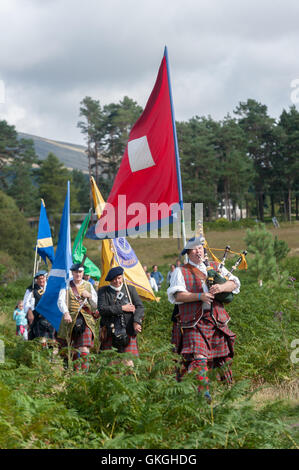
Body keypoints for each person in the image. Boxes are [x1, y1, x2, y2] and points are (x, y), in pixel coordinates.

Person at [167, 236, 240, 403]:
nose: (198, 251)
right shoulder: (180, 271)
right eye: (194, 249)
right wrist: (199, 296)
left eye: (200, 248)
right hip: (193, 321)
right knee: (199, 357)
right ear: (188, 253)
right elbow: (178, 296)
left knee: (223, 358)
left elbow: (235, 283)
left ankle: (231, 394)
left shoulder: (215, 266)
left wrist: (222, 287)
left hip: (216, 320)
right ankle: (204, 393)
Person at [97, 266, 144, 363]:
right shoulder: (103, 291)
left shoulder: (130, 289)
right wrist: (122, 308)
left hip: (128, 329)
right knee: (112, 364)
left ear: (122, 277)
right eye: (114, 279)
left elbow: (140, 307)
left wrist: (136, 321)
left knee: (129, 363)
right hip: (110, 330)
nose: (117, 281)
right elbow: (102, 309)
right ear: (110, 280)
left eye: (119, 278)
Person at [58, 263, 99, 372]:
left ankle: (85, 374)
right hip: (70, 319)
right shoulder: (66, 285)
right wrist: (66, 312)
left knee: (84, 347)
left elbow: (95, 305)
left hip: (86, 319)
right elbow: (61, 300)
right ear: (72, 272)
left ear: (83, 273)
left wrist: (89, 296)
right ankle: (75, 373)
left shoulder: (89, 285)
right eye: (76, 272)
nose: (78, 274)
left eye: (80, 272)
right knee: (72, 349)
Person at [24, 270, 56, 344]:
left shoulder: (51, 287)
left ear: (46, 278)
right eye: (39, 279)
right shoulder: (31, 289)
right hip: (36, 316)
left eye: (43, 278)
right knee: (36, 338)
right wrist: (29, 312)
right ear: (36, 279)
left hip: (50, 316)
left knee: (52, 341)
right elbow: (26, 302)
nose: (41, 280)